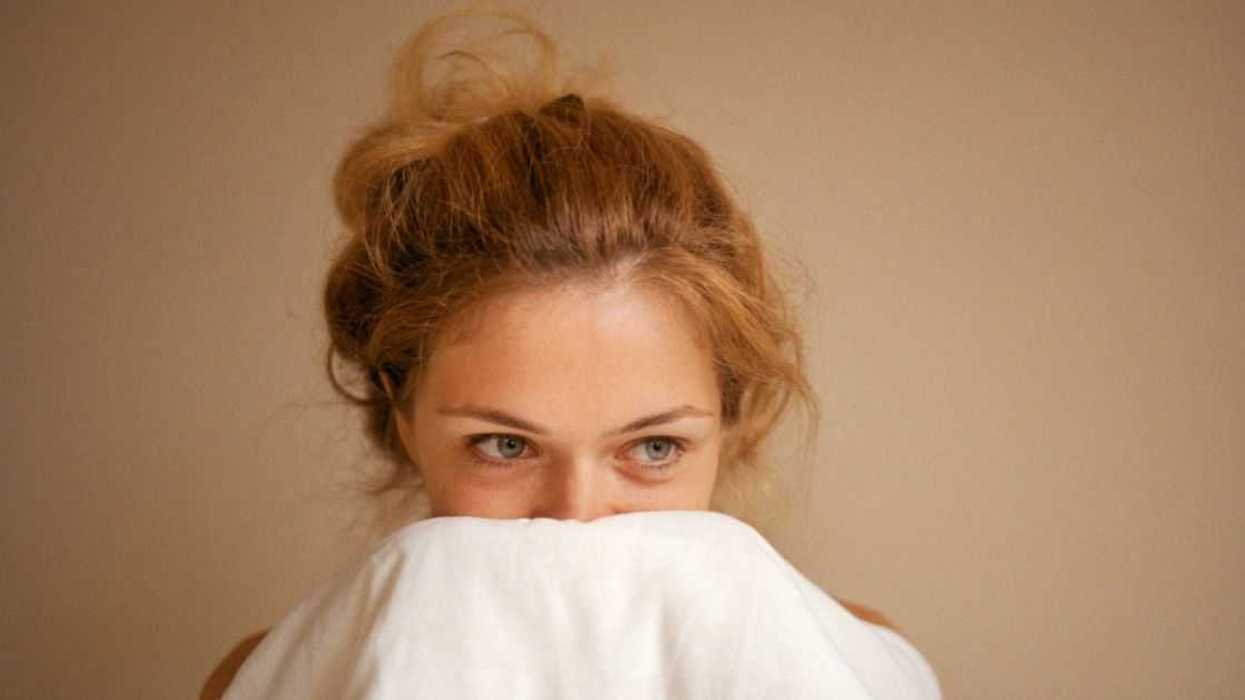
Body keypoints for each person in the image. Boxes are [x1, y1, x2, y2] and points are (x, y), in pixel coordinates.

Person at [201, 8, 928, 698]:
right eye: (505, 444)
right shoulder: (271, 682)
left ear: (731, 423)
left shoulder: (861, 671)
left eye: (652, 449)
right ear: (402, 418)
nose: (574, 519)